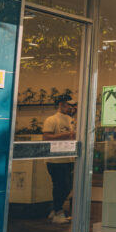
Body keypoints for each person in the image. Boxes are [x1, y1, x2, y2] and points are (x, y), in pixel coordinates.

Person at [43, 94, 77, 224]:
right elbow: (46, 137)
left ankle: (56, 209)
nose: (72, 108)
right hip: (55, 160)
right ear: (61, 104)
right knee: (60, 186)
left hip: (68, 158)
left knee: (67, 186)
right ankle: (58, 212)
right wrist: (67, 134)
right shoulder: (51, 120)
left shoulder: (70, 120)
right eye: (70, 105)